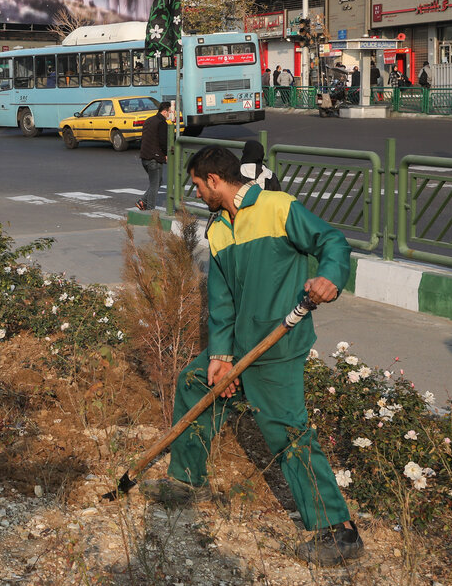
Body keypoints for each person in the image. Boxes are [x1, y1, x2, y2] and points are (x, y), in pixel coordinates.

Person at [153, 145, 361, 566]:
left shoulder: (277, 208)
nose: (196, 193)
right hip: (241, 345)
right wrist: (221, 355)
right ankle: (185, 482)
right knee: (195, 384)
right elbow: (223, 298)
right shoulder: (218, 230)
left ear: (214, 180)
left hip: (279, 344)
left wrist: (331, 276)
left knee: (286, 431)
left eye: (197, 184)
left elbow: (332, 240)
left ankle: (338, 531)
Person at [135, 100, 172, 211]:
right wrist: (166, 154)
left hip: (144, 157)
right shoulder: (162, 123)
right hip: (154, 159)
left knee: (156, 182)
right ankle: (150, 210)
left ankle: (142, 201)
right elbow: (163, 141)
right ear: (165, 112)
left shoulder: (149, 120)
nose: (170, 114)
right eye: (169, 112)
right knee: (155, 185)